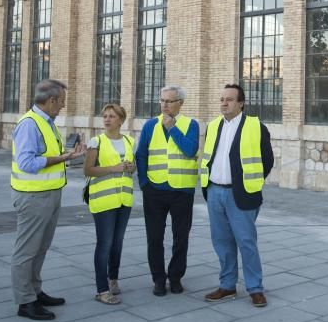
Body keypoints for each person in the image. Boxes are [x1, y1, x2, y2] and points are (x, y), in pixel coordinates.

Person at [10, 79, 85, 320]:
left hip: (50, 194)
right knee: (27, 250)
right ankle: (25, 301)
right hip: (33, 197)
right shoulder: (30, 125)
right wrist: (62, 159)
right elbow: (27, 163)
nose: (63, 106)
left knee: (40, 248)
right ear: (51, 100)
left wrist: (68, 155)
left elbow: (48, 155)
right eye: (62, 101)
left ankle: (35, 291)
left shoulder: (47, 123)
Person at [201, 84, 274, 307]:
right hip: (214, 191)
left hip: (240, 194)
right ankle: (227, 285)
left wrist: (251, 183)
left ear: (241, 103)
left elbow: (267, 160)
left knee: (246, 242)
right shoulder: (213, 126)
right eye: (222, 99)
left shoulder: (255, 126)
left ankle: (255, 288)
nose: (224, 103)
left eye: (229, 99)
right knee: (222, 242)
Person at [135, 86, 200, 296]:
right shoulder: (150, 125)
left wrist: (173, 128)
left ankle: (175, 277)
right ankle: (158, 279)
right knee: (154, 237)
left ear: (180, 103)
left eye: (169, 101)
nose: (164, 105)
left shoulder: (191, 124)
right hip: (154, 190)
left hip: (182, 191)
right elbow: (141, 155)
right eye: (162, 100)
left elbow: (190, 150)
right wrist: (144, 183)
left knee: (181, 237)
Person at [83, 103, 136, 305]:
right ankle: (102, 289)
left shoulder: (130, 141)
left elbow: (132, 169)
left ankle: (113, 280)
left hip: (124, 199)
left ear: (121, 120)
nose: (107, 119)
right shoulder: (96, 141)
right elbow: (87, 170)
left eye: (112, 116)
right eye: (104, 116)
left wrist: (130, 168)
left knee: (117, 242)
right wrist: (114, 168)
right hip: (104, 200)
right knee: (104, 243)